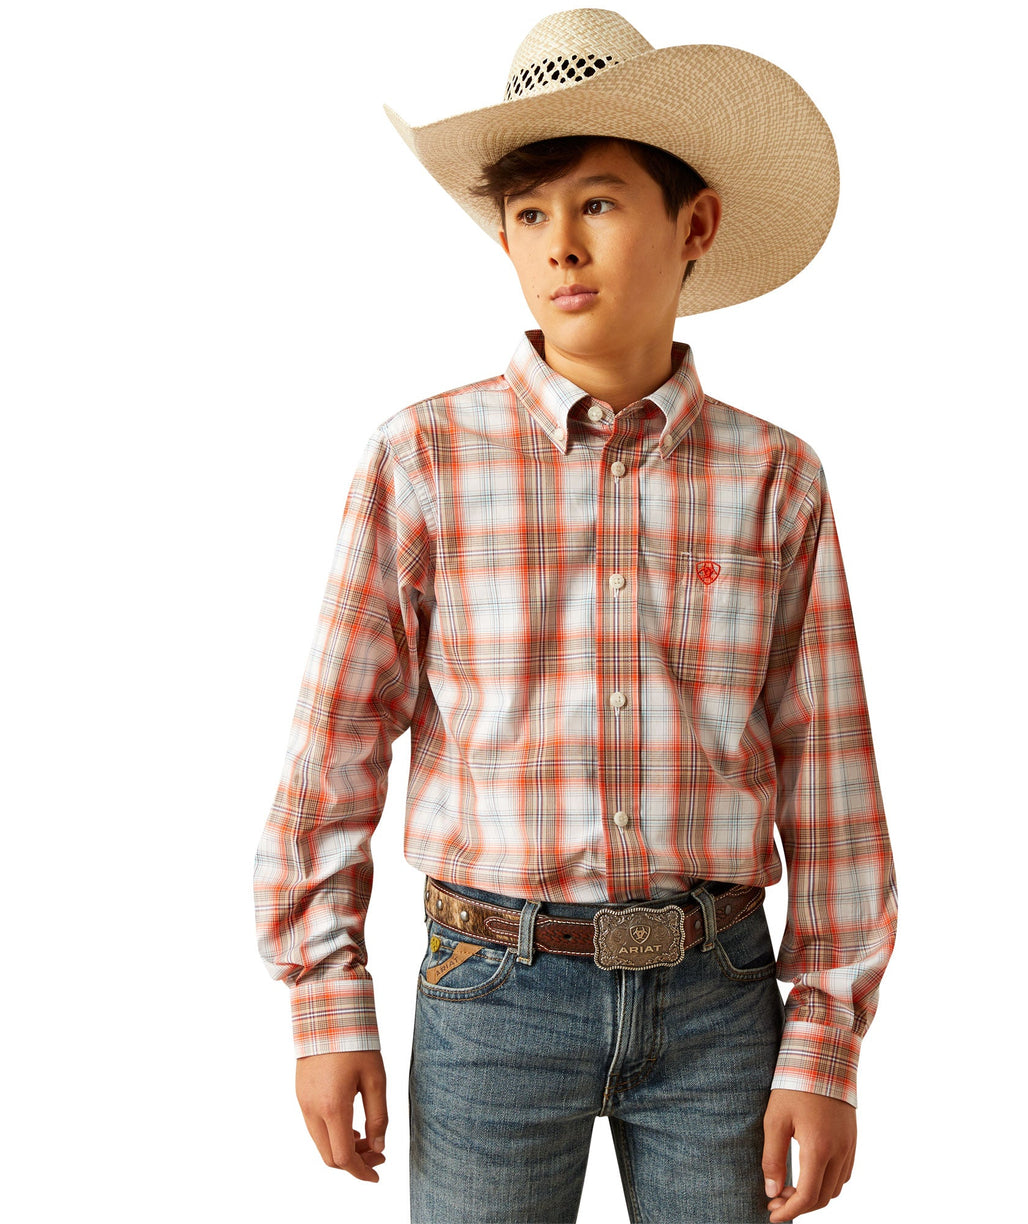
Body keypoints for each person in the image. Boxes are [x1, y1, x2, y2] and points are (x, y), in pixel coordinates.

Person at [252, 9, 899, 1223]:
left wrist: (825, 1043)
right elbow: (334, 745)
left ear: (692, 222)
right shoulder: (423, 460)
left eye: (599, 203)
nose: (562, 245)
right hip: (491, 997)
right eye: (532, 214)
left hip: (719, 997)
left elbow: (832, 778)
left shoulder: (777, 481)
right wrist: (324, 1001)